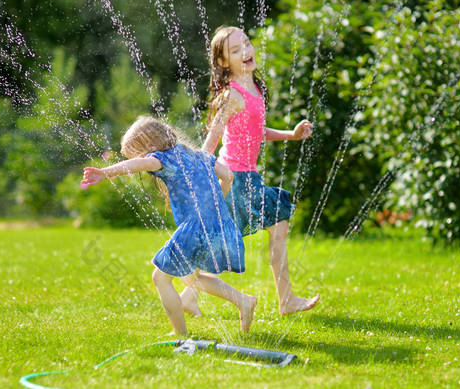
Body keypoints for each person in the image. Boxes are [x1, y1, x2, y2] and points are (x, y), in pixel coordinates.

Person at [180, 26, 320, 316]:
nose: (245, 51)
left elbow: (256, 132)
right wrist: (200, 169)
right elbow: (214, 135)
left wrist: (291, 135)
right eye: (235, 50)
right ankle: (285, 300)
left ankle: (190, 294)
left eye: (246, 43)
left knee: (227, 240)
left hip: (246, 179)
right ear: (222, 62)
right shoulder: (232, 95)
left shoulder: (255, 88)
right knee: (233, 239)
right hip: (235, 180)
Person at [81, 116, 256, 335]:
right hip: (220, 225)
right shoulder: (199, 155)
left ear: (151, 147)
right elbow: (228, 175)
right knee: (189, 276)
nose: (143, 158)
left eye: (140, 152)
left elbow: (139, 165)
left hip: (196, 228)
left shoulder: (162, 158)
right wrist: (215, 201)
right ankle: (243, 301)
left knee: (160, 278)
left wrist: (106, 172)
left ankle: (180, 335)